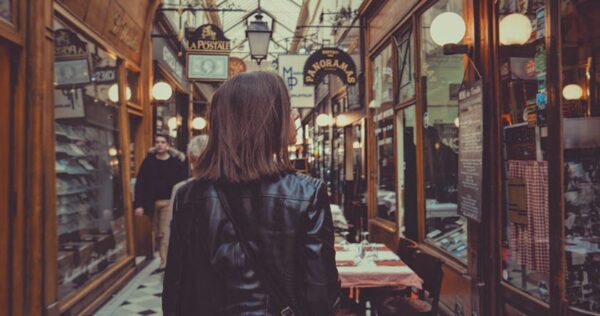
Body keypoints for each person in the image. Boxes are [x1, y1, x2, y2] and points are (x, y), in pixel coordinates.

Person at [163, 72, 340, 315]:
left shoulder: (188, 195)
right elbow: (320, 294)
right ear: (267, 119)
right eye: (288, 107)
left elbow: (176, 289)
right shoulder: (307, 193)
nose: (295, 114)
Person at [133, 133, 187, 272]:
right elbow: (140, 184)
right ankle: (165, 260)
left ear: (168, 145)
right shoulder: (148, 162)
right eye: (157, 142)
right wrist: (138, 204)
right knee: (157, 234)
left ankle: (165, 263)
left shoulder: (176, 162)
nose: (159, 144)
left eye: (163, 142)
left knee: (164, 232)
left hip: (168, 202)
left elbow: (182, 183)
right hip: (152, 203)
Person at [163, 135, 209, 262]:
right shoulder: (230, 187)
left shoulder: (181, 190)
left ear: (191, 160)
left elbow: (171, 233)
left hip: (190, 264)